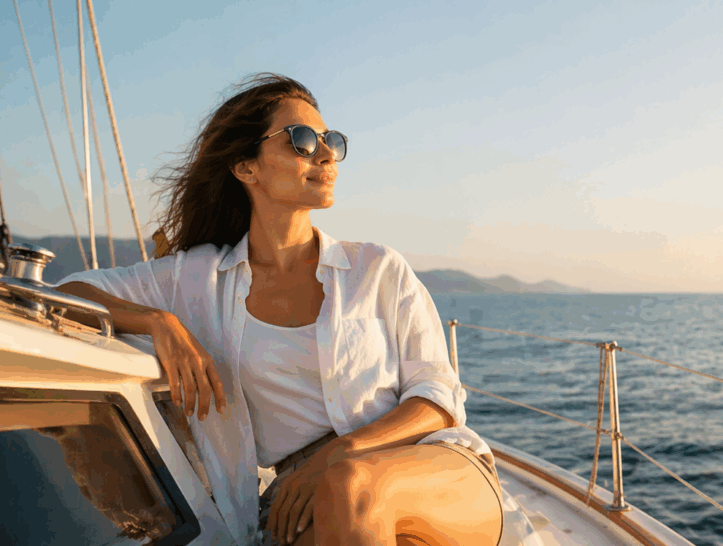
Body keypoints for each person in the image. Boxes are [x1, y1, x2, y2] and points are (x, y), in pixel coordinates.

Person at [58, 73, 514, 546]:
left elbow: (438, 397)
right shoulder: (197, 280)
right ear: (246, 168)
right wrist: (158, 321)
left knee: (351, 485)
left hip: (432, 469)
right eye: (302, 140)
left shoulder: (377, 269)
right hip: (307, 496)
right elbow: (68, 292)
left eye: (331, 141)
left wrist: (339, 455)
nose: (326, 154)